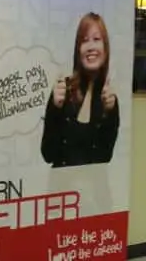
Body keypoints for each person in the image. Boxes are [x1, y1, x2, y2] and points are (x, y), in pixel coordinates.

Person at [41, 12, 119, 168]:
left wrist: (109, 115)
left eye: (96, 39)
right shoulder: (63, 90)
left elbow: (105, 157)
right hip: (62, 183)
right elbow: (48, 154)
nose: (91, 47)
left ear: (105, 48)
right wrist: (55, 109)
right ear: (78, 50)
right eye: (84, 41)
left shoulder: (109, 99)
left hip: (95, 183)